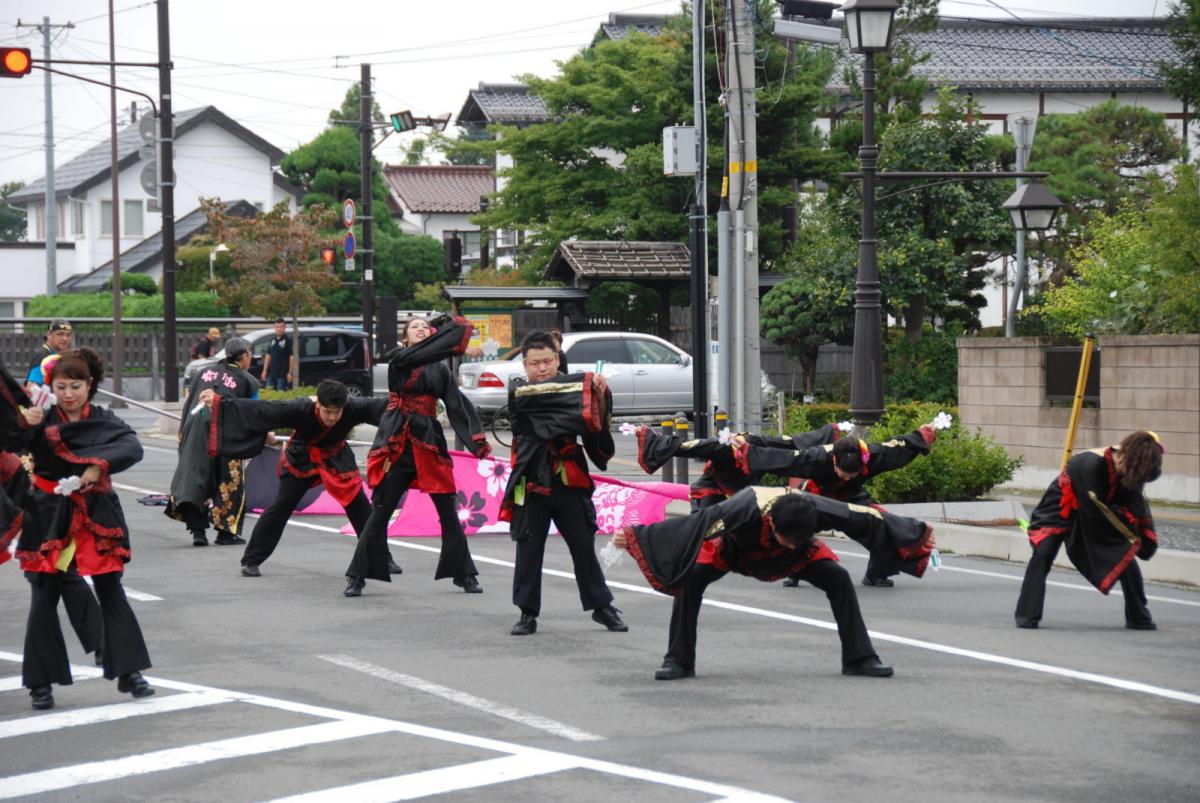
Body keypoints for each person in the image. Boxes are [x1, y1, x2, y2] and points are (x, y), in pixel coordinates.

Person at [613, 487, 929, 680]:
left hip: (798, 559)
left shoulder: (811, 511)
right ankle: (678, 660)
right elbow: (695, 525)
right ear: (773, 523)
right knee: (691, 580)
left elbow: (864, 516)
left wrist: (915, 534)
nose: (791, 543)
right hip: (736, 552)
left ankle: (859, 657)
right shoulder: (743, 507)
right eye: (787, 537)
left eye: (797, 538)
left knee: (839, 578)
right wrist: (635, 536)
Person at [4, 348, 153, 710]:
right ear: (52, 387)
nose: (68, 394)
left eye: (76, 386)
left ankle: (129, 672)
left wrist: (98, 467)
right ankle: (40, 683)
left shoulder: (102, 418)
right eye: (61, 386)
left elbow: (132, 446)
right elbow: (9, 443)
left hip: (96, 509)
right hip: (46, 509)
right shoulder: (42, 416)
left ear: (90, 386)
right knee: (44, 596)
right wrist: (26, 422)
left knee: (111, 590)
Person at [343, 314, 492, 597]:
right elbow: (420, 355)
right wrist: (443, 327)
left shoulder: (441, 371)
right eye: (415, 327)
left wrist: (476, 440)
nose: (421, 329)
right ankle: (357, 575)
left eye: (426, 327)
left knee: (448, 513)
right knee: (381, 513)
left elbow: (456, 404)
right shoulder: (400, 358)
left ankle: (465, 574)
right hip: (398, 441)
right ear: (405, 337)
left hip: (428, 443)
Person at [199, 378, 397, 577]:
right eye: (328, 411)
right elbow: (261, 409)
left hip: (336, 457)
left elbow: (390, 406)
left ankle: (382, 558)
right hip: (302, 458)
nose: (333, 417)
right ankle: (251, 559)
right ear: (318, 404)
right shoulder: (299, 408)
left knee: (360, 507)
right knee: (281, 507)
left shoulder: (353, 407)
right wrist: (218, 402)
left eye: (337, 412)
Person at [500, 330, 626, 636]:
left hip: (568, 479)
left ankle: (601, 606)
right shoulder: (520, 394)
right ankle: (527, 612)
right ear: (524, 366)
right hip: (531, 481)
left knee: (583, 547)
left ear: (558, 360)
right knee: (528, 549)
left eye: (547, 361)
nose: (541, 368)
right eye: (534, 363)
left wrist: (598, 395)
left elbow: (591, 425)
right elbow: (557, 414)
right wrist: (582, 392)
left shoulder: (574, 390)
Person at [746, 422, 940, 588]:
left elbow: (899, 448)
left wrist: (924, 434)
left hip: (852, 497)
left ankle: (877, 573)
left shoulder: (873, 456)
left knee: (880, 521)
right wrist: (749, 446)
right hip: (817, 495)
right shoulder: (816, 457)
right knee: (797, 519)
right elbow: (784, 455)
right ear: (834, 460)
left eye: (852, 474)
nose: (847, 477)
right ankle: (795, 572)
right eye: (843, 473)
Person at [1014, 431, 1163, 630]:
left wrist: (1140, 539)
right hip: (1061, 510)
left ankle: (1138, 616)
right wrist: (1128, 535)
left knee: (1126, 556)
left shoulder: (1129, 474)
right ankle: (1026, 615)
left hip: (1098, 513)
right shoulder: (1090, 463)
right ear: (1130, 458)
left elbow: (1137, 508)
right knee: (1043, 555)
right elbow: (1095, 508)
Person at [167, 337, 260, 546]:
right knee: (229, 480)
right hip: (228, 433)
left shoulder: (202, 372)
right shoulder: (248, 381)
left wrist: (183, 429)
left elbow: (189, 402)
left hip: (195, 427)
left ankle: (198, 532)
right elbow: (253, 413)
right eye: (250, 355)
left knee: (195, 478)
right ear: (244, 356)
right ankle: (226, 533)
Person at [635, 423, 841, 510]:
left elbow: (795, 444)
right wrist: (651, 438)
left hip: (743, 497)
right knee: (701, 533)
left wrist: (830, 436)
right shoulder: (725, 450)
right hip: (712, 494)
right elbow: (689, 446)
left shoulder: (762, 448)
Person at [26, 318, 73, 393]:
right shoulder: (43, 357)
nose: (65, 338)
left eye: (68, 335)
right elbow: (31, 388)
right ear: (49, 334)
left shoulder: (58, 355)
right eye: (60, 334)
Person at [261, 317, 295, 391]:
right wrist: (264, 370)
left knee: (280, 397)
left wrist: (290, 373)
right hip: (271, 374)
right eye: (277, 327)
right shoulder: (272, 340)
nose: (279, 329)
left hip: (282, 375)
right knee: (269, 394)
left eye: (281, 327)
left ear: (285, 327)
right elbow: (268, 355)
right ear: (274, 328)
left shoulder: (288, 340)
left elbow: (291, 357)